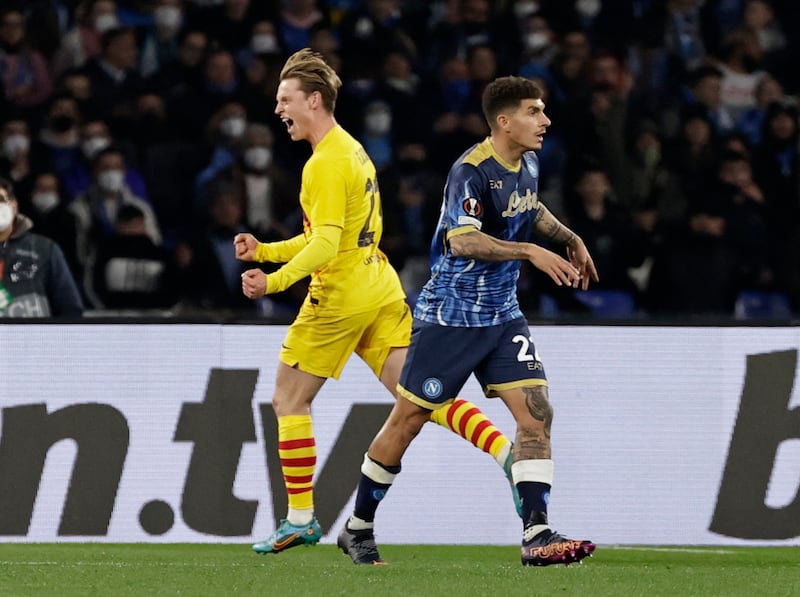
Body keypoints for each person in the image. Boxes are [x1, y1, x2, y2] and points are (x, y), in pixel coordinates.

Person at [234, 48, 519, 555]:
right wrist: (266, 249)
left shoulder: (322, 164)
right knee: (418, 395)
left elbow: (325, 246)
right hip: (378, 282)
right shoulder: (353, 150)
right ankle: (505, 453)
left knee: (289, 400)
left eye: (286, 99)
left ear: (313, 100)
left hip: (341, 295)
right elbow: (337, 235)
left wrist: (273, 282)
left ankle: (301, 517)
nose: (279, 109)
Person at [337, 76, 598, 567]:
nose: (545, 120)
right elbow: (461, 240)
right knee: (408, 421)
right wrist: (530, 252)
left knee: (537, 414)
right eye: (534, 111)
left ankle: (536, 533)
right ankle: (358, 527)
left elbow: (530, 206)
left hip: (503, 315)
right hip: (452, 317)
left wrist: (568, 236)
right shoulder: (470, 171)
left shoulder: (529, 162)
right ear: (504, 121)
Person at [0, 177, 83, 318]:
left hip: (36, 339)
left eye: (1, 200)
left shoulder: (45, 249)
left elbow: (70, 309)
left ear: (14, 206)